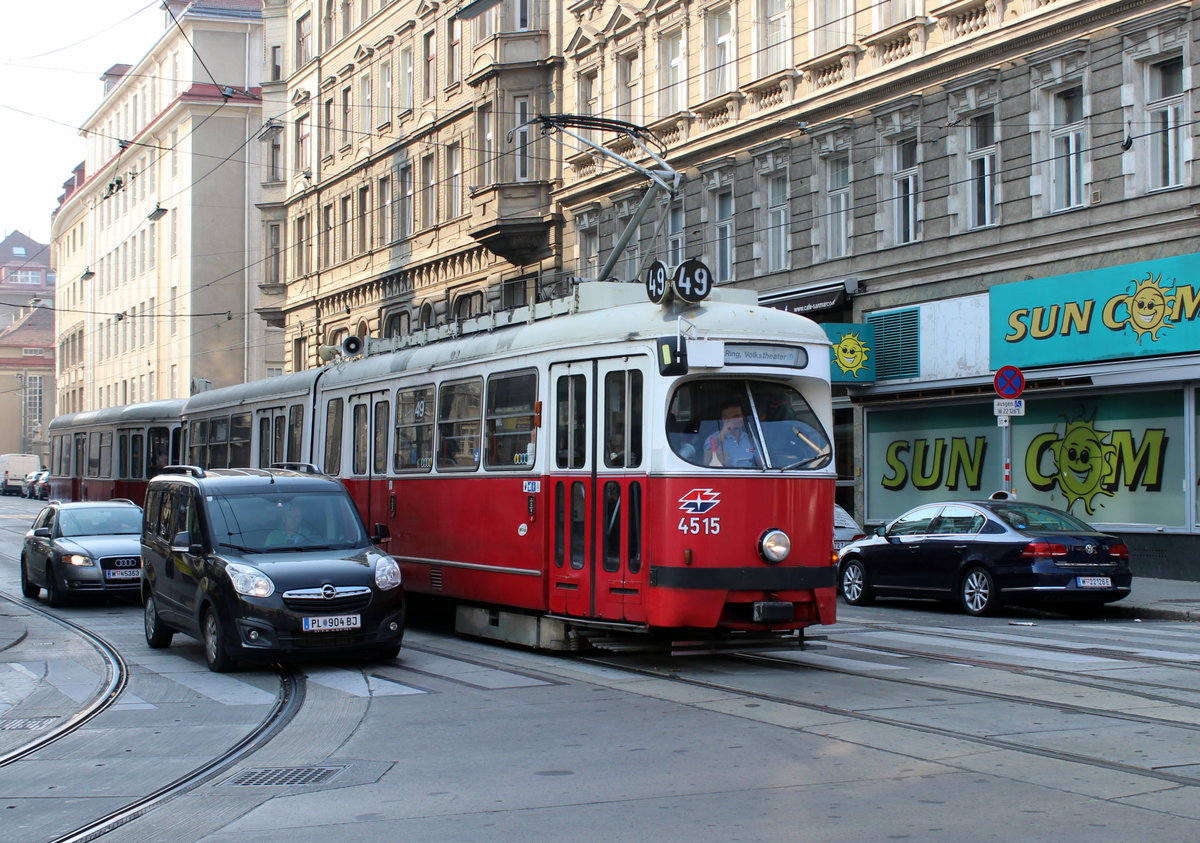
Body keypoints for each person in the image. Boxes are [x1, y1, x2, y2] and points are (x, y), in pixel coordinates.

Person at [705, 403, 759, 467]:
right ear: (725, 419)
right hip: (728, 475)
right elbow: (711, 464)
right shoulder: (713, 439)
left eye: (741, 416)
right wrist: (722, 436)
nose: (740, 419)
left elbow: (762, 464)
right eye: (736, 416)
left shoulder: (750, 439)